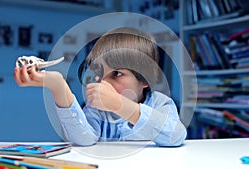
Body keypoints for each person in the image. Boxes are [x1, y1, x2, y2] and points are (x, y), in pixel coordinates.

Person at [13, 27, 187, 147]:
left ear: (145, 79)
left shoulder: (160, 103)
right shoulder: (97, 108)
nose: (103, 83)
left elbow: (176, 136)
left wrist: (120, 105)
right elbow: (83, 139)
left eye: (117, 74)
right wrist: (59, 87)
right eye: (99, 72)